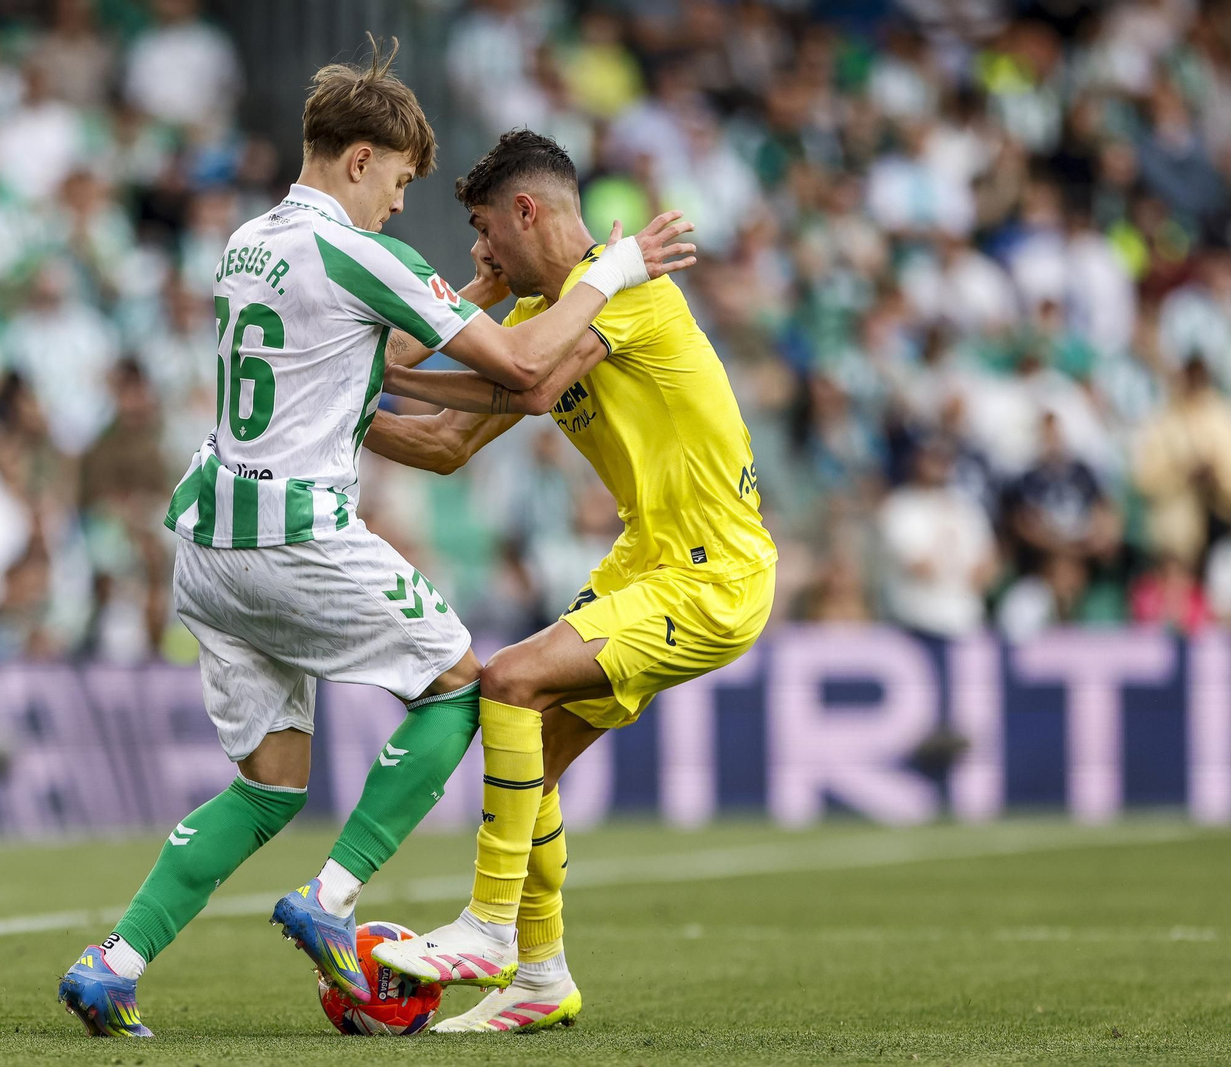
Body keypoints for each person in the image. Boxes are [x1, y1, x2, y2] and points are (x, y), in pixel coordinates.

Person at [55, 44, 695, 1038]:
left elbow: (366, 347)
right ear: (360, 160)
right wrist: (613, 268)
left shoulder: (247, 244)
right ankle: (334, 897)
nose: (400, 206)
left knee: (268, 784)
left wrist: (469, 296)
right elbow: (528, 364)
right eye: (398, 182)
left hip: (208, 543)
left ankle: (115, 961)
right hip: (295, 532)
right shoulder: (361, 250)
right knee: (459, 682)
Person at [361, 130, 776, 1032]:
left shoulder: (626, 287)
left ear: (525, 211)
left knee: (508, 679)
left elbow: (532, 388)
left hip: (713, 573)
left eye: (481, 231)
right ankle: (540, 975)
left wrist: (391, 377)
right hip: (650, 563)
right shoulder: (538, 318)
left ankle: (487, 928)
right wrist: (340, 423)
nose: (479, 251)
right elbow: (435, 437)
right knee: (531, 762)